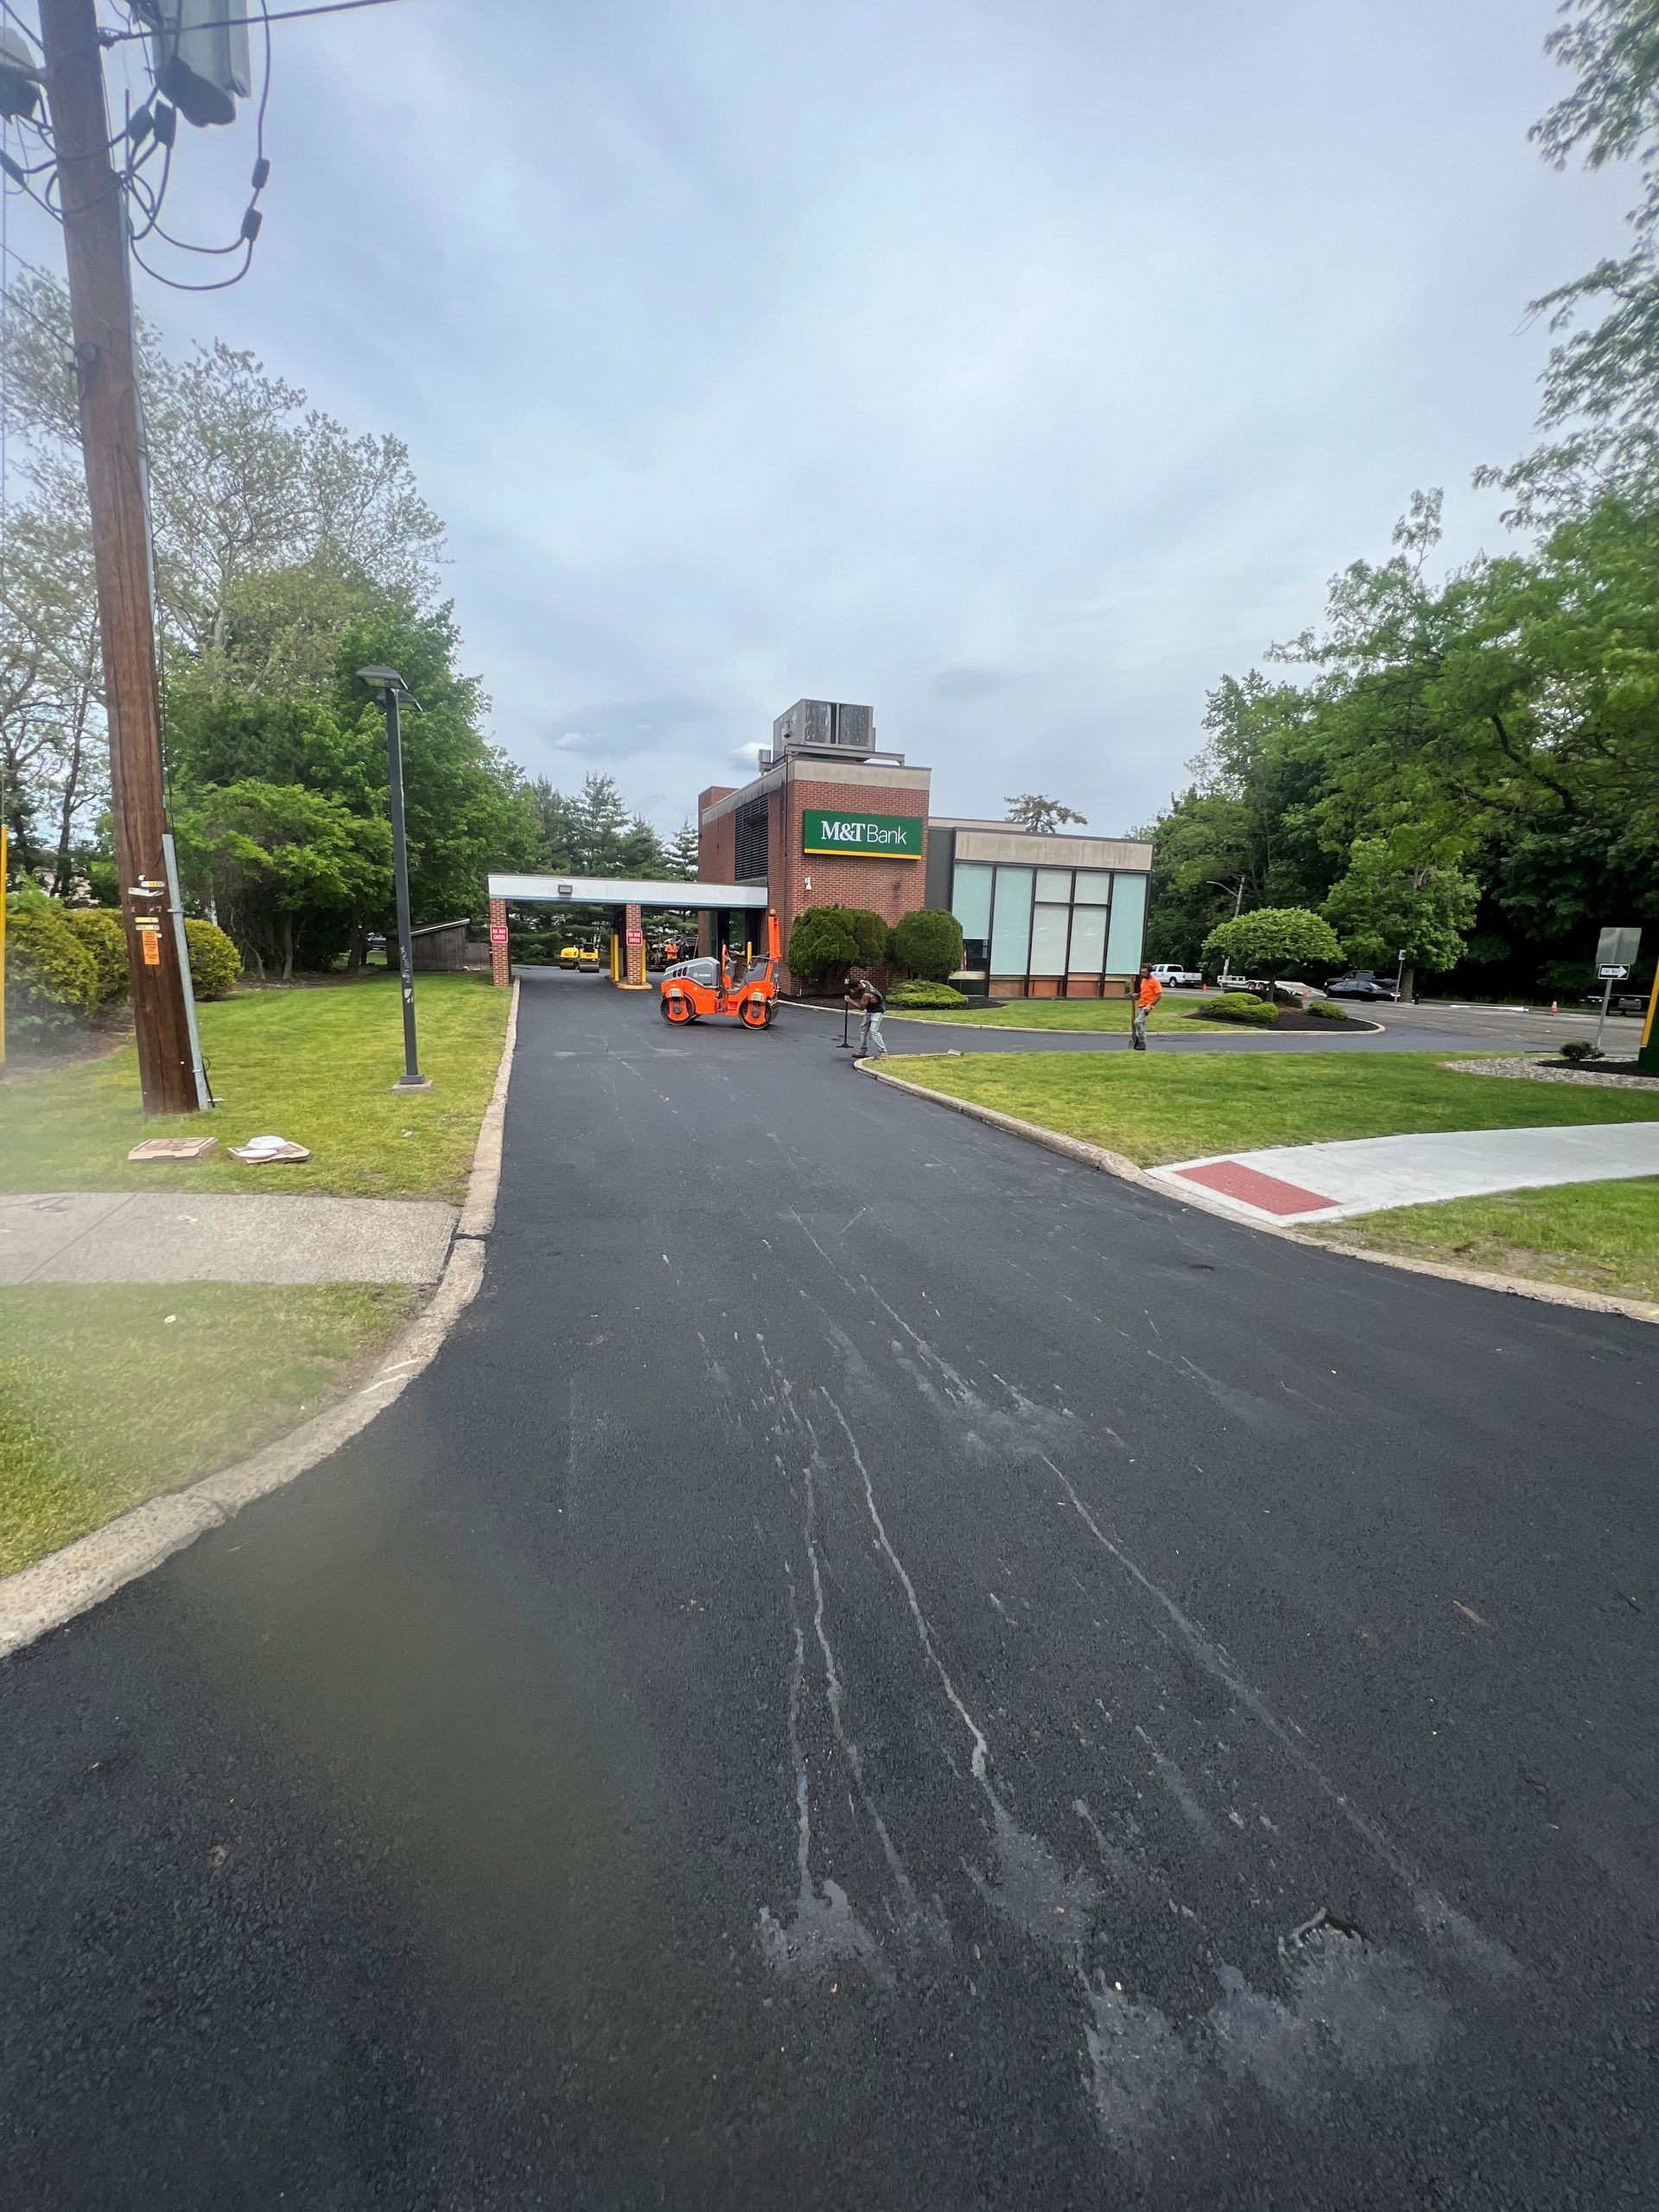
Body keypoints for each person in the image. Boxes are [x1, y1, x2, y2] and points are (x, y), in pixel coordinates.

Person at [844, 967, 887, 1060]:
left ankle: (883, 1052)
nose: (854, 992)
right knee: (863, 1029)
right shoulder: (864, 982)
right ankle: (863, 1051)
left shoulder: (866, 994)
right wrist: (848, 982)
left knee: (873, 1031)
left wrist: (850, 1000)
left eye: (855, 990)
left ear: (859, 986)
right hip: (870, 1010)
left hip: (877, 1011)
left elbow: (861, 1008)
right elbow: (854, 983)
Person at [1132, 963, 1161, 1050]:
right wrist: (1137, 994)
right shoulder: (1144, 980)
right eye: (1141, 972)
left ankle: (1141, 1041)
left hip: (1147, 1006)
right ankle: (1142, 1045)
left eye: (1144, 972)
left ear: (1149, 972)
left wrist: (1149, 1005)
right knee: (1142, 1024)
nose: (1142, 974)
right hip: (1141, 1004)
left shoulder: (1154, 981)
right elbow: (1145, 991)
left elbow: (1159, 996)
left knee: (1137, 1022)